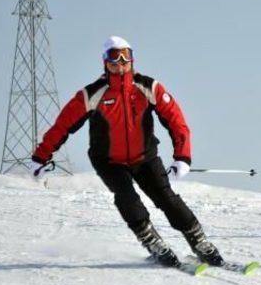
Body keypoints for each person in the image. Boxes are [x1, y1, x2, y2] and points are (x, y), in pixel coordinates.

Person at [32, 36, 224, 267]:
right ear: (106, 64)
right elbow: (62, 126)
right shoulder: (91, 94)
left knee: (167, 199)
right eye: (115, 62)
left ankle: (199, 242)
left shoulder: (148, 87)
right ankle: (152, 241)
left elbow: (176, 121)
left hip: (145, 158)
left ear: (132, 61)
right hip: (108, 161)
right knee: (127, 197)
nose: (121, 67)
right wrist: (40, 157)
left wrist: (182, 156)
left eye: (126, 62)